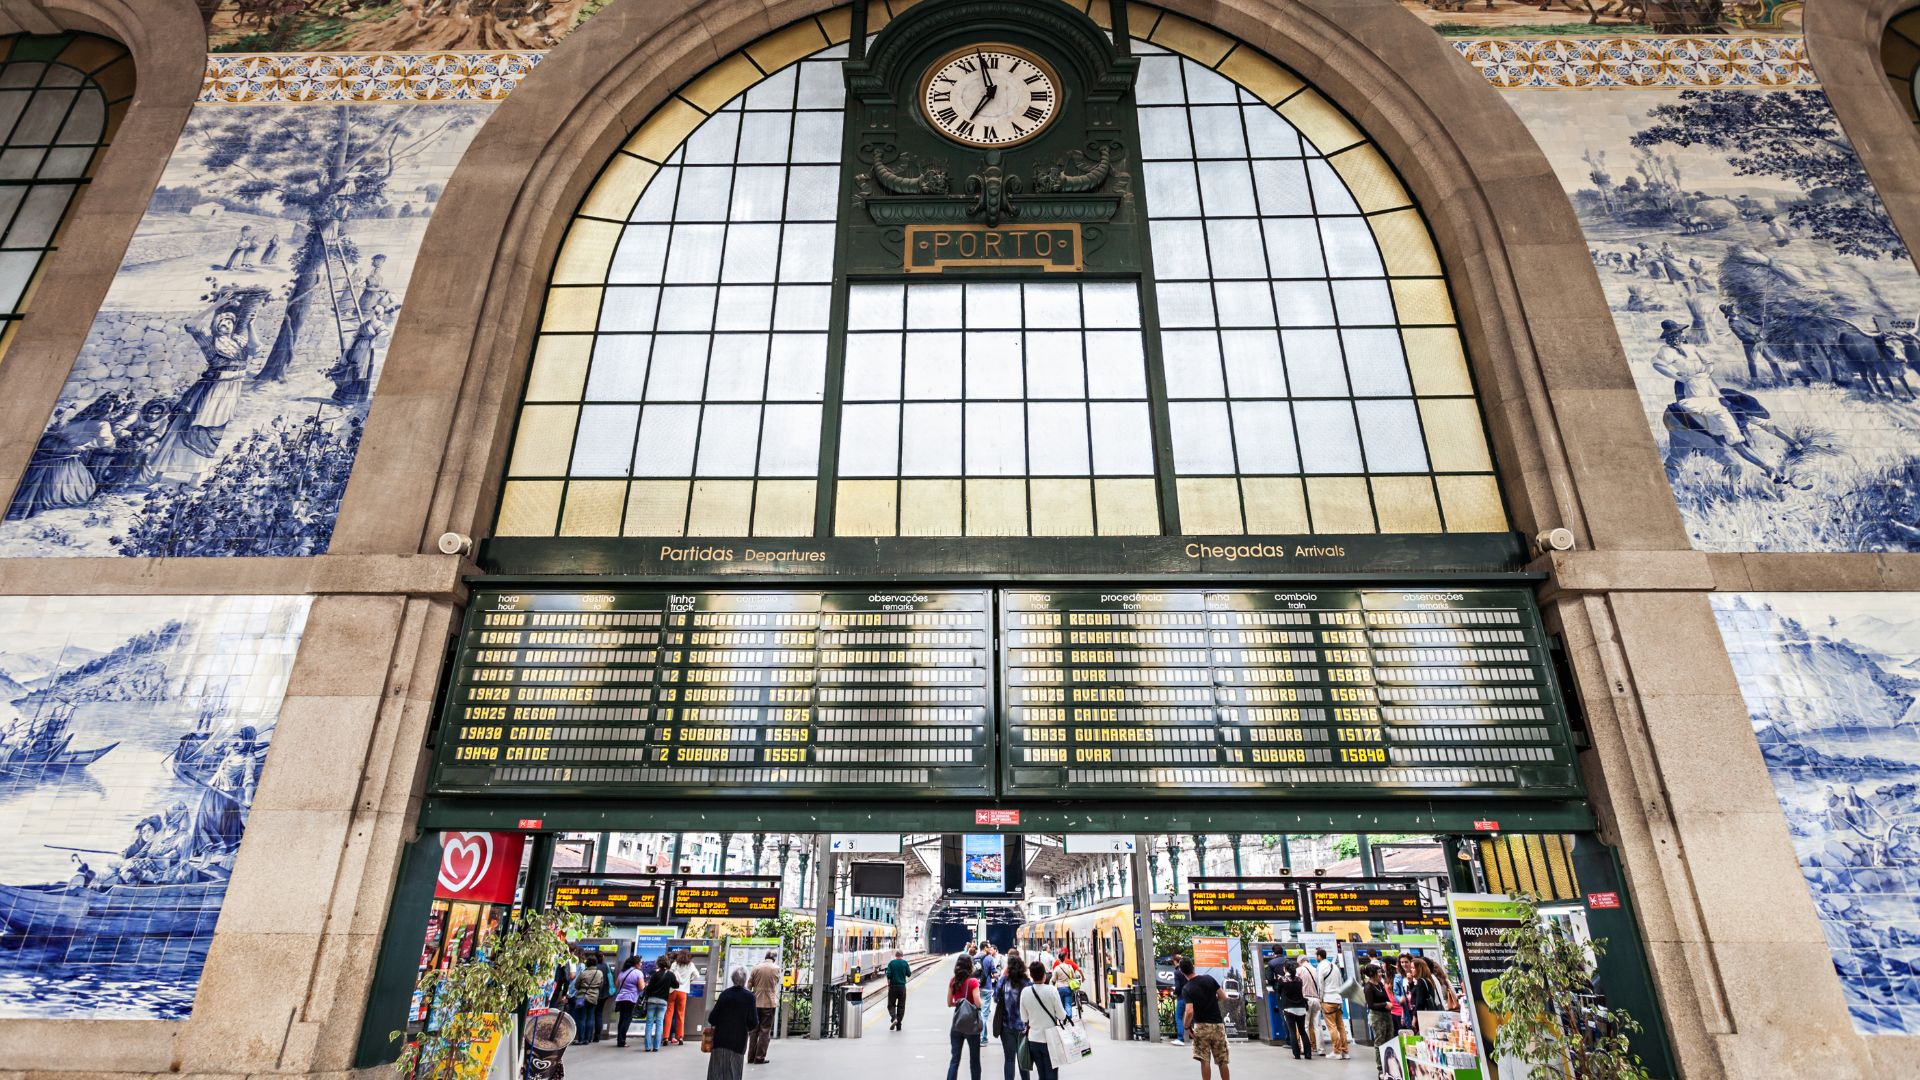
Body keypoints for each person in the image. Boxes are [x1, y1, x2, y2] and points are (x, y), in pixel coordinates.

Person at [146, 293, 261, 483]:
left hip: (229, 393)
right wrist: (217, 304)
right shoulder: (210, 342)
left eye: (229, 323)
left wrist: (250, 325)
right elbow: (191, 325)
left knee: (214, 432)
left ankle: (196, 477)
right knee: (186, 427)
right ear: (216, 326)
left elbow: (256, 348)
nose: (225, 325)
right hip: (210, 391)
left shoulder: (239, 343)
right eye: (221, 322)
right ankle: (159, 473)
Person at [706, 967, 761, 1080]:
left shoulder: (725, 994)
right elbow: (753, 1023)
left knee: (716, 1074)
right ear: (745, 980)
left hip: (720, 1042)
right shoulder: (750, 997)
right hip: (738, 1042)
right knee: (733, 1074)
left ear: (732, 979)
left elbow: (712, 1018)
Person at [1179, 957, 1229, 1080]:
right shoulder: (1209, 979)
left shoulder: (1187, 988)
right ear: (1193, 966)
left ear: (1182, 972)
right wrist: (1213, 1001)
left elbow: (1189, 1011)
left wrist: (1186, 1026)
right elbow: (1222, 996)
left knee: (1204, 1059)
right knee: (1222, 1060)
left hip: (1201, 1027)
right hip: (1217, 1025)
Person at [1019, 961, 1063, 1080]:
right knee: (1052, 1073)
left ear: (1031, 976)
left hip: (1034, 1039)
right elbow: (1062, 1015)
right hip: (1051, 1040)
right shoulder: (1052, 990)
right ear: (1044, 975)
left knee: (1041, 1074)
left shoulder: (1025, 992)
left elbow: (1024, 1018)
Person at [993, 956, 1030, 1080]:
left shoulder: (1004, 981)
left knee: (1009, 1060)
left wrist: (1003, 975)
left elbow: (996, 997)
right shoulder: (1026, 982)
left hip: (1006, 1027)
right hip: (1023, 1028)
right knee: (1022, 1060)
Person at [947, 954, 983, 1080]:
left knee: (955, 1060)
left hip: (957, 1024)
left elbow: (949, 1003)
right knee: (974, 1060)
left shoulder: (953, 981)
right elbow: (978, 1003)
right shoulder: (973, 982)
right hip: (972, 1026)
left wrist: (959, 1002)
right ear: (970, 966)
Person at [1315, 948, 1350, 1060]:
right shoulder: (1334, 967)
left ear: (1319, 956)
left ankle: (1336, 1051)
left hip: (1328, 999)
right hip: (1338, 1000)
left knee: (1332, 1027)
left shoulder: (1321, 967)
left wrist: (1320, 1000)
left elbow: (1320, 985)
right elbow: (1340, 983)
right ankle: (1345, 1051)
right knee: (1341, 1027)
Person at [747, 951, 781, 1064]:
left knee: (754, 1030)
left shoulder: (756, 968)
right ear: (774, 959)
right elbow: (775, 983)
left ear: (765, 957)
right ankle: (759, 1057)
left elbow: (749, 985)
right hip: (769, 1003)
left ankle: (750, 1056)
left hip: (755, 1002)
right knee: (765, 1030)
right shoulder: (776, 969)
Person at [1275, 960, 1313, 1060]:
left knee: (1292, 1031)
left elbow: (1278, 994)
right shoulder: (1299, 980)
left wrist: (1280, 1006)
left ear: (1285, 969)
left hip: (1289, 1008)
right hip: (1301, 1007)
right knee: (1302, 1031)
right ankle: (1308, 1054)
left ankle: (1296, 1054)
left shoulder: (1282, 980)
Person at [641, 955, 678, 1051]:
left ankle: (648, 1047)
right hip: (663, 1002)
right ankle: (656, 1047)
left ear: (658, 963)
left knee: (649, 1023)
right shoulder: (670, 974)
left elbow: (648, 989)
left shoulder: (654, 975)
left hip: (652, 1001)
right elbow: (676, 985)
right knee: (660, 1023)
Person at [572, 952, 607, 1044]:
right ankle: (588, 1039)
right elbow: (601, 984)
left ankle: (581, 1039)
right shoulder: (599, 973)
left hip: (582, 997)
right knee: (590, 1018)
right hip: (593, 997)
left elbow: (576, 985)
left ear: (587, 963)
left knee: (582, 1018)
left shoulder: (584, 973)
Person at [612, 956, 644, 1048]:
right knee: (627, 1019)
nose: (641, 964)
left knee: (622, 1019)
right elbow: (641, 987)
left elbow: (617, 984)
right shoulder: (638, 973)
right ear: (636, 963)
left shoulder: (623, 972)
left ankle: (620, 1040)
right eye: (640, 962)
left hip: (621, 998)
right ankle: (622, 1041)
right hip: (631, 998)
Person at [667, 950, 697, 1045]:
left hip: (672, 990)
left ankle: (665, 1037)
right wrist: (689, 980)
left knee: (669, 1014)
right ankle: (680, 1037)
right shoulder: (690, 965)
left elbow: (670, 975)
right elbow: (697, 975)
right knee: (680, 1014)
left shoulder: (675, 964)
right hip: (683, 991)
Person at [1363, 965, 1395, 1048]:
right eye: (1379, 972)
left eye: (1381, 971)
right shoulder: (1368, 987)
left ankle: (1388, 1060)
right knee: (1380, 1041)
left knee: (1390, 1039)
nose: (1381, 974)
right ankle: (1380, 1060)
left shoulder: (1380, 984)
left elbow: (1385, 997)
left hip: (1387, 1015)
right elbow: (1371, 1005)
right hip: (1377, 1017)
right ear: (1372, 974)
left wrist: (1390, 1003)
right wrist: (1385, 1004)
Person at [1049, 949, 1079, 1019]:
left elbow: (1053, 979)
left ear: (1059, 959)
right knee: (1068, 1004)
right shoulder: (1069, 967)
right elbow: (1073, 977)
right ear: (1064, 958)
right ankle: (1069, 1018)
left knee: (1061, 1005)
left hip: (1060, 989)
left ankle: (1063, 1018)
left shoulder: (1057, 968)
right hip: (1068, 988)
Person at [886, 949, 912, 1030]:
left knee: (891, 1005)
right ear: (902, 956)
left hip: (893, 987)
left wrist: (889, 983)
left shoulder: (891, 963)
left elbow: (888, 975)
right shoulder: (904, 963)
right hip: (902, 988)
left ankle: (894, 1018)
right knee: (901, 1006)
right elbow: (909, 974)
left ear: (895, 956)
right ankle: (899, 1025)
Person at [1169, 951, 1188, 1044]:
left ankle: (1180, 1038)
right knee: (1192, 1017)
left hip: (1181, 997)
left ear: (1175, 962)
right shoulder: (1186, 970)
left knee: (1178, 1017)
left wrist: (1174, 992)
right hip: (1190, 996)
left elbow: (1178, 986)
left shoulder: (1177, 972)